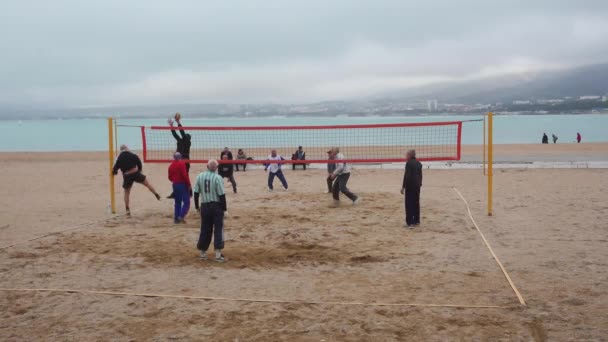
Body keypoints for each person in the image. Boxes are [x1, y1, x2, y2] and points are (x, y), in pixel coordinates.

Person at [112, 145, 161, 216]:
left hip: (127, 176)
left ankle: (127, 209)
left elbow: (115, 169)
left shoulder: (119, 158)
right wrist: (140, 170)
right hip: (135, 173)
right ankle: (156, 194)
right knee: (147, 184)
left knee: (127, 193)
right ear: (127, 148)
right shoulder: (132, 155)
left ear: (121, 150)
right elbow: (139, 162)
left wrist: (114, 172)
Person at [194, 159, 227, 262]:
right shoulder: (218, 178)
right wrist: (225, 209)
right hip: (216, 206)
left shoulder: (199, 176)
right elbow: (222, 195)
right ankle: (218, 254)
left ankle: (203, 253)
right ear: (216, 168)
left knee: (205, 229)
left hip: (204, 206)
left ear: (207, 166)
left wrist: (196, 207)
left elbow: (196, 193)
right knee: (218, 229)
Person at [167, 114, 191, 199]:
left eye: (186, 137)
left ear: (188, 139)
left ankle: (189, 192)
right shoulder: (180, 141)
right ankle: (176, 193)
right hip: (179, 161)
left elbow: (182, 133)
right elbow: (175, 134)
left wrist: (178, 123)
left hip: (185, 161)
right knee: (177, 177)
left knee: (185, 176)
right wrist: (171, 126)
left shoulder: (187, 142)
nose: (184, 137)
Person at [401, 149, 423, 228]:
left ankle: (410, 223)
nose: (405, 156)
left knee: (409, 204)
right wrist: (419, 184)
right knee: (416, 203)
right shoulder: (419, 163)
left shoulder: (408, 163)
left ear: (410, 155)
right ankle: (417, 221)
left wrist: (403, 187)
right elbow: (420, 176)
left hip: (410, 186)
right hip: (417, 186)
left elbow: (407, 176)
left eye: (406, 155)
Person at [168, 152, 191, 224]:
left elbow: (169, 177)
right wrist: (189, 184)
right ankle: (181, 216)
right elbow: (185, 175)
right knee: (187, 202)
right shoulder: (182, 164)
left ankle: (176, 219)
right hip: (182, 184)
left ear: (174, 157)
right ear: (180, 157)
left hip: (175, 184)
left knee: (177, 202)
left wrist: (175, 181)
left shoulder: (171, 165)